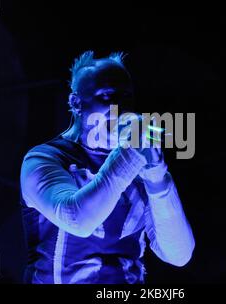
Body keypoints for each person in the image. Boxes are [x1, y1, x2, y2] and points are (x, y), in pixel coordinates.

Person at [19, 51, 195, 284]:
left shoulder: (137, 160)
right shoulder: (44, 159)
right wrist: (132, 153)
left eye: (127, 97)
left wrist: (157, 175)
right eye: (108, 97)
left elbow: (179, 254)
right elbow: (77, 220)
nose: (121, 109)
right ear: (76, 103)